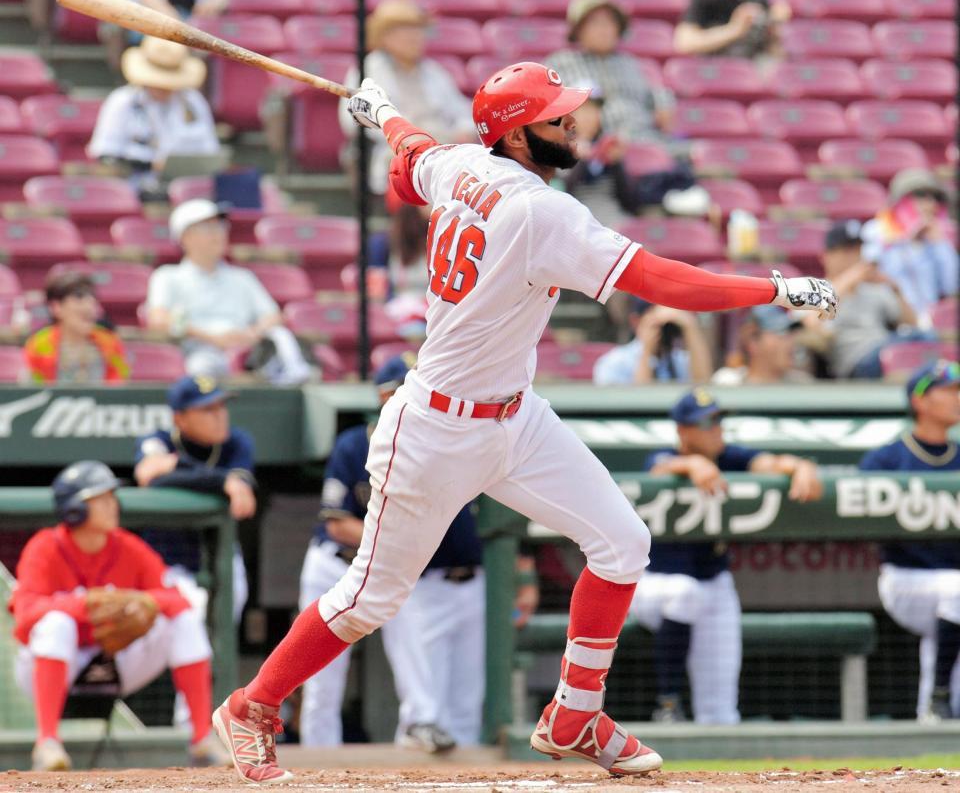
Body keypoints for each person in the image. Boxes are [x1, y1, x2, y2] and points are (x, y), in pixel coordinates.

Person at [210, 61, 836, 784]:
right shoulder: (544, 213)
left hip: (516, 414)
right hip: (436, 429)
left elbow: (412, 159)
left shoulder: (460, 164)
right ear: (514, 135)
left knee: (623, 543)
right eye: (555, 118)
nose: (573, 124)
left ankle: (575, 714)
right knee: (370, 600)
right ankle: (252, 706)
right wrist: (776, 288)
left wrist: (383, 114)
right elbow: (661, 281)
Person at [299, 355, 528, 749]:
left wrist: (523, 576)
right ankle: (318, 763)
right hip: (342, 566)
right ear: (385, 397)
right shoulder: (357, 445)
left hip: (418, 572)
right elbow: (337, 523)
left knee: (454, 692)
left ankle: (437, 754)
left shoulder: (450, 446)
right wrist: (397, 541)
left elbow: (505, 519)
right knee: (323, 681)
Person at [11, 461, 228, 771]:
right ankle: (47, 743)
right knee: (56, 624)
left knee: (185, 619)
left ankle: (202, 738)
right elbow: (25, 618)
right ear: (74, 509)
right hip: (57, 666)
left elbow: (177, 599)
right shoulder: (45, 547)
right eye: (101, 499)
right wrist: (84, 605)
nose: (113, 505)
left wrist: (147, 602)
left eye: (112, 497)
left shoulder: (127, 546)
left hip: (119, 661)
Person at [629, 388, 822, 724]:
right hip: (653, 583)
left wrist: (801, 467)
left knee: (720, 711)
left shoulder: (730, 456)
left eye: (718, 420)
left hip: (714, 583)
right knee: (684, 592)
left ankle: (713, 750)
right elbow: (658, 470)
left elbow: (769, 463)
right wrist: (691, 463)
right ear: (683, 431)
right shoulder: (663, 456)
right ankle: (667, 703)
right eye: (706, 423)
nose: (716, 429)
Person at [860, 360, 960, 722]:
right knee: (957, 591)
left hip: (950, 586)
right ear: (919, 401)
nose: (957, 398)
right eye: (948, 391)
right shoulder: (888, 458)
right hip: (906, 578)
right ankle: (938, 693)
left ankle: (934, 716)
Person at [145, 199, 311, 383]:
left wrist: (251, 334)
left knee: (283, 348)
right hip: (199, 352)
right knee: (200, 369)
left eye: (220, 226)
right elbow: (158, 320)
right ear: (185, 237)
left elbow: (273, 316)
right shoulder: (168, 276)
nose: (218, 234)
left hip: (249, 355)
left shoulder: (242, 277)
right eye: (207, 228)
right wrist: (212, 337)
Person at [134, 375, 255, 623]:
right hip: (168, 557)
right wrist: (221, 481)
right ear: (179, 419)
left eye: (221, 406)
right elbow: (148, 476)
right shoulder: (158, 440)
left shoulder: (237, 443)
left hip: (221, 553)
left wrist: (176, 467)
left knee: (223, 630)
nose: (220, 416)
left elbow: (243, 496)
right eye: (208, 409)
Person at [337, 0, 475, 199]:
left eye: (418, 29)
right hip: (397, 153)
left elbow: (463, 111)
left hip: (443, 147)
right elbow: (351, 120)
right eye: (405, 30)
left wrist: (464, 130)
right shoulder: (367, 69)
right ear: (384, 36)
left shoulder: (433, 71)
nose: (415, 36)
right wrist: (404, 136)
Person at [87, 37, 221, 199]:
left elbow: (210, 152)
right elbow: (106, 155)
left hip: (187, 189)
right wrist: (149, 165)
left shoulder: (193, 102)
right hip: (135, 189)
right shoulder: (122, 102)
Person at [563, 88, 708, 226]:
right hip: (579, 217)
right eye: (583, 110)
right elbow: (562, 192)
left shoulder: (608, 146)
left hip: (614, 217)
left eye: (594, 110)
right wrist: (582, 160)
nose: (589, 117)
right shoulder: (560, 146)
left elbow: (629, 201)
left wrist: (617, 164)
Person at [547, 0, 676, 145]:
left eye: (610, 22)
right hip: (594, 144)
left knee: (691, 152)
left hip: (644, 136)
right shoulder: (561, 63)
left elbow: (654, 95)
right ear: (578, 30)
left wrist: (663, 102)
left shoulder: (629, 63)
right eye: (595, 23)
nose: (604, 29)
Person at [811, 219, 923, 379]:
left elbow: (913, 323)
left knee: (926, 340)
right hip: (854, 362)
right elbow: (809, 323)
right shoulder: (813, 288)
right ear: (825, 256)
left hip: (884, 350)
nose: (854, 257)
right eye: (847, 250)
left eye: (858, 250)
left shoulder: (872, 289)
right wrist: (851, 278)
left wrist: (896, 289)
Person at [861, 169, 958, 330]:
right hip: (889, 323)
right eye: (920, 195)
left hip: (930, 325)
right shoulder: (876, 230)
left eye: (935, 198)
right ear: (899, 201)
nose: (930, 204)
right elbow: (869, 276)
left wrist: (940, 244)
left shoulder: (935, 240)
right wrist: (906, 240)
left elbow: (951, 287)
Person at [23, 272, 129, 384]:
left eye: (92, 297)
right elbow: (34, 388)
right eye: (79, 297)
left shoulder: (110, 342)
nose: (89, 305)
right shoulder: (38, 345)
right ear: (56, 307)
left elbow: (119, 384)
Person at [593, 299, 713, 385]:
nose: (664, 330)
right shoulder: (614, 362)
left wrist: (689, 326)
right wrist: (647, 351)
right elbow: (639, 400)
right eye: (657, 325)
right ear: (635, 321)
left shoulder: (679, 359)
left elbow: (703, 385)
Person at [712, 306, 814, 385]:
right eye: (781, 332)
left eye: (791, 333)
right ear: (753, 340)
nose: (791, 342)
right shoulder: (728, 383)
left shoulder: (802, 384)